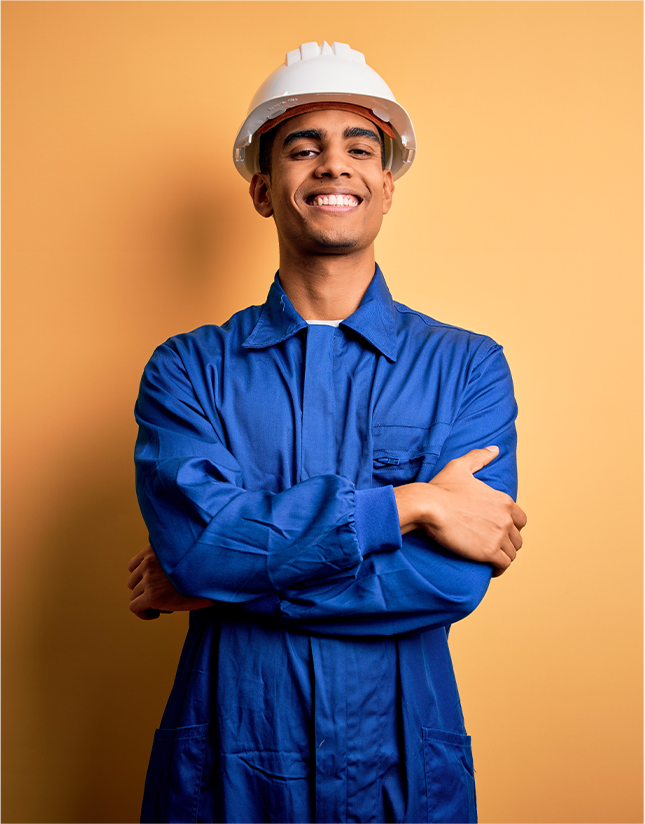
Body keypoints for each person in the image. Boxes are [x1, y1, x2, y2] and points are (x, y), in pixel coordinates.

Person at [127, 40, 527, 824]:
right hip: (230, 756)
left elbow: (452, 581)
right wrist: (408, 505)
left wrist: (221, 582)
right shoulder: (188, 369)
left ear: (386, 186)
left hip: (400, 763)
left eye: (359, 149)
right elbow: (196, 550)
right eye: (303, 148)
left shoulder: (466, 367)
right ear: (262, 190)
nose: (333, 165)